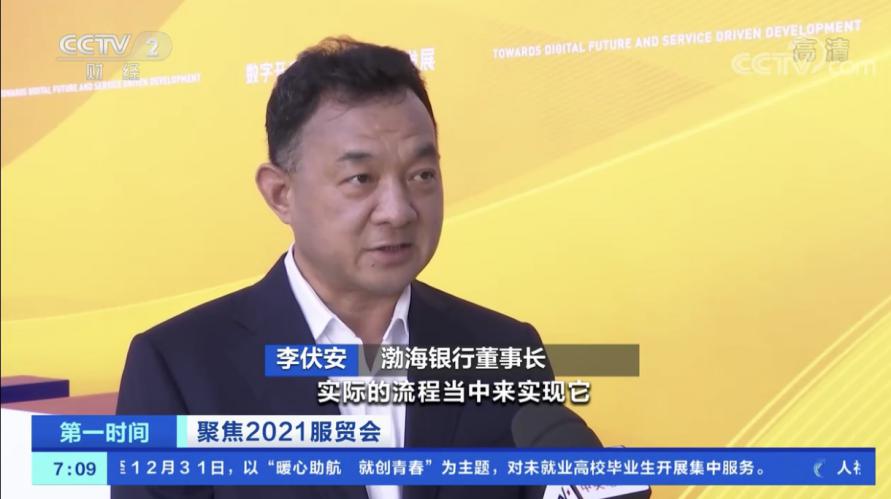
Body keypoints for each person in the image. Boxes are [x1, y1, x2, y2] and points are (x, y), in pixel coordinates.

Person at [113, 37, 553, 499]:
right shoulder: (178, 367)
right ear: (280, 194)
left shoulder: (505, 352)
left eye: (422, 175)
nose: (398, 211)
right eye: (361, 179)